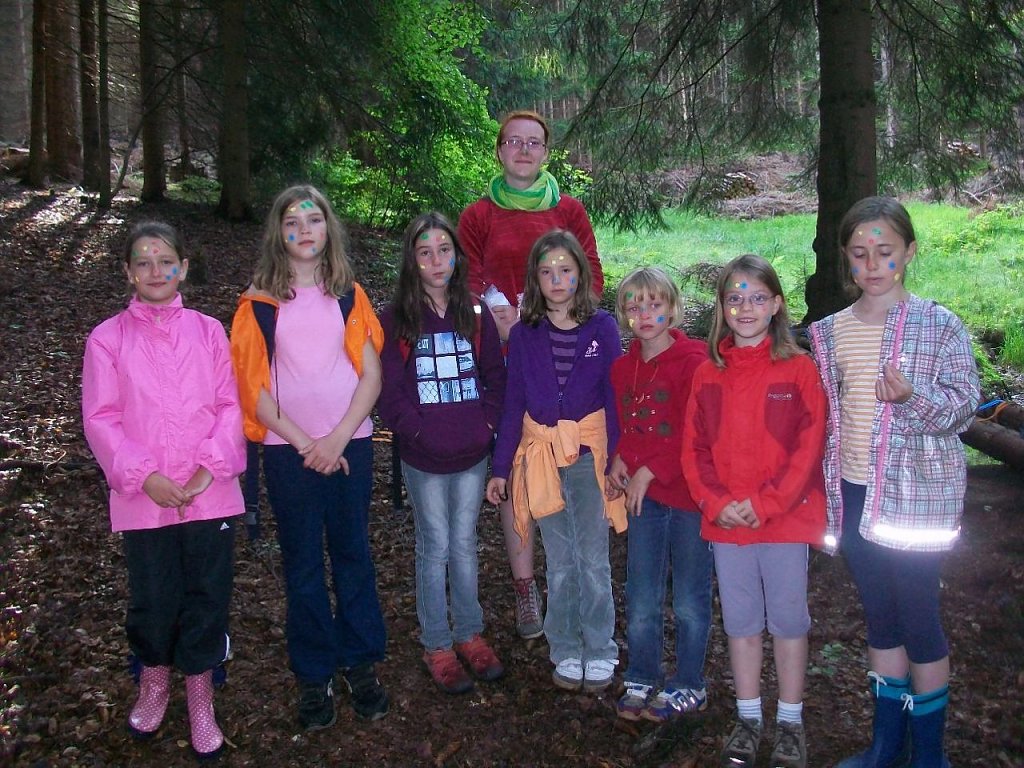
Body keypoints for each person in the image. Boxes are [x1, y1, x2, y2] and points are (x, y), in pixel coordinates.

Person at [809, 197, 979, 768]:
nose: (873, 264)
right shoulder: (829, 332)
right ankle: (887, 746)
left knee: (919, 618)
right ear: (846, 259)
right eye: (859, 253)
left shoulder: (940, 325)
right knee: (880, 617)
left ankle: (929, 754)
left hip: (917, 502)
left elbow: (963, 408)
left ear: (908, 252)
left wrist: (912, 398)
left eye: (885, 251)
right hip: (854, 494)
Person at [82, 221, 245, 759]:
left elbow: (230, 405)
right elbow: (101, 417)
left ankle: (200, 692)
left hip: (209, 494)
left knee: (207, 594)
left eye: (166, 261)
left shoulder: (209, 332)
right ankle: (153, 681)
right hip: (143, 498)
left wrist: (208, 469)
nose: (156, 271)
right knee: (153, 597)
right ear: (128, 272)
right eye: (144, 263)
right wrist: (144, 475)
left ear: (184, 268)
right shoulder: (107, 339)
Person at [230, 185, 389, 731]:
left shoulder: (348, 295)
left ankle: (360, 661)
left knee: (352, 554)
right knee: (302, 564)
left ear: (328, 229)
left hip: (351, 446)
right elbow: (254, 391)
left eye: (314, 219)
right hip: (288, 453)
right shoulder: (259, 305)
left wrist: (337, 439)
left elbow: (371, 375)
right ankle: (314, 672)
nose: (304, 230)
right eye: (292, 222)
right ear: (278, 232)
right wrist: (307, 445)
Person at [458, 109, 604, 640]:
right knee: (518, 462)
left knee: (566, 459)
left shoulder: (569, 210)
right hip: (502, 353)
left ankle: (574, 579)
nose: (523, 150)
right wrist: (496, 315)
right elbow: (465, 279)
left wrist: (557, 320)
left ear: (546, 151)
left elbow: (592, 276)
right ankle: (525, 586)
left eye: (534, 143)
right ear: (500, 150)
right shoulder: (478, 214)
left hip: (563, 352)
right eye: (514, 142)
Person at [681, 254, 826, 768]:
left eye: (758, 298)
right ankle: (748, 718)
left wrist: (766, 504)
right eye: (735, 298)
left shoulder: (798, 369)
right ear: (721, 306)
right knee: (741, 621)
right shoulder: (708, 373)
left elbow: (809, 448)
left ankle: (789, 721)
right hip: (727, 524)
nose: (746, 308)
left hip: (783, 520)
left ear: (777, 304)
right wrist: (715, 503)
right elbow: (694, 448)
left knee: (787, 620)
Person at [484, 229, 625, 693]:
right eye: (546, 272)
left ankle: (599, 647)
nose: (557, 279)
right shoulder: (525, 334)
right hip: (541, 456)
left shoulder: (602, 328)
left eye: (565, 270)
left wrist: (618, 458)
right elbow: (513, 403)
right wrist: (501, 468)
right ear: (535, 279)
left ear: (580, 274)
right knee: (560, 559)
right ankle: (564, 645)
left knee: (593, 558)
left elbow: (615, 396)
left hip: (587, 456)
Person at [377, 212, 507, 695]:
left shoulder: (475, 312)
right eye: (425, 252)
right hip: (424, 457)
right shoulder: (396, 318)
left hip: (471, 453)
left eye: (444, 251)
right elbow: (389, 390)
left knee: (465, 543)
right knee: (435, 546)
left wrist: (486, 426)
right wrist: (416, 431)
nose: (436, 261)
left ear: (457, 256)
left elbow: (495, 378)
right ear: (411, 260)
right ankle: (436, 641)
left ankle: (469, 632)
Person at [604, 267, 712, 724]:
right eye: (634, 306)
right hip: (643, 501)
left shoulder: (695, 361)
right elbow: (627, 425)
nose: (644, 314)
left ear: (673, 308)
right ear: (623, 315)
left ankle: (690, 683)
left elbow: (695, 430)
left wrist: (650, 470)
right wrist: (620, 459)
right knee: (642, 593)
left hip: (687, 498)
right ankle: (642, 675)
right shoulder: (622, 367)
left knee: (688, 598)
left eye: (654, 305)